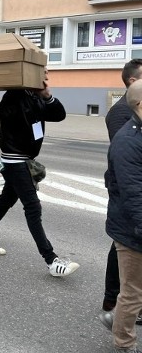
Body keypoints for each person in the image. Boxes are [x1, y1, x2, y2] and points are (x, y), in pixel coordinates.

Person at [0, 72, 79, 277]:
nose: (46, 74)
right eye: (42, 71)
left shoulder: (35, 95)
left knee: (6, 199)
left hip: (24, 159)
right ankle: (52, 261)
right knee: (32, 206)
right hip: (15, 159)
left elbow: (59, 115)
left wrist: (46, 95)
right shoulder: (16, 94)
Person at [99, 79, 142, 352]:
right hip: (132, 231)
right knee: (132, 293)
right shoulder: (127, 141)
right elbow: (134, 194)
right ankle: (124, 342)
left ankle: (116, 319)